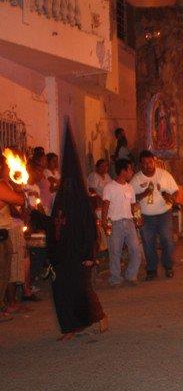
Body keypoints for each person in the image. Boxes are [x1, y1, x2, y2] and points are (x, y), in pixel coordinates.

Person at [33, 124, 107, 340]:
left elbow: (89, 229)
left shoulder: (82, 202)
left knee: (80, 290)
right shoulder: (60, 201)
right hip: (61, 257)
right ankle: (69, 328)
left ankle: (97, 317)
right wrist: (37, 216)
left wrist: (89, 256)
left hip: (78, 256)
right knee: (61, 293)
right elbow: (54, 224)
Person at [131, 150, 178, 280]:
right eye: (144, 163)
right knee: (148, 242)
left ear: (154, 162)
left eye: (150, 162)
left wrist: (171, 198)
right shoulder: (136, 179)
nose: (148, 165)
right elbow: (131, 198)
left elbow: (175, 190)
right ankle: (151, 269)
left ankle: (168, 266)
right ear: (140, 164)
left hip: (164, 213)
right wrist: (144, 193)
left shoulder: (164, 175)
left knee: (167, 240)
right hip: (146, 215)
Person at [101, 159, 142, 286]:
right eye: (130, 169)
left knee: (136, 250)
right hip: (115, 223)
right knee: (115, 252)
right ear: (123, 171)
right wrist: (104, 222)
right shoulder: (109, 187)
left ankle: (131, 275)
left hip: (129, 222)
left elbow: (133, 205)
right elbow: (105, 206)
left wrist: (137, 217)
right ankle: (115, 278)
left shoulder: (130, 188)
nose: (132, 172)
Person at [0, 156, 28, 322]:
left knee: (5, 272)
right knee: (2, 273)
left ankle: (3, 305)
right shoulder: (1, 185)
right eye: (6, 167)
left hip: (4, 233)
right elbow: (18, 200)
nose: (9, 170)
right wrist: (19, 189)